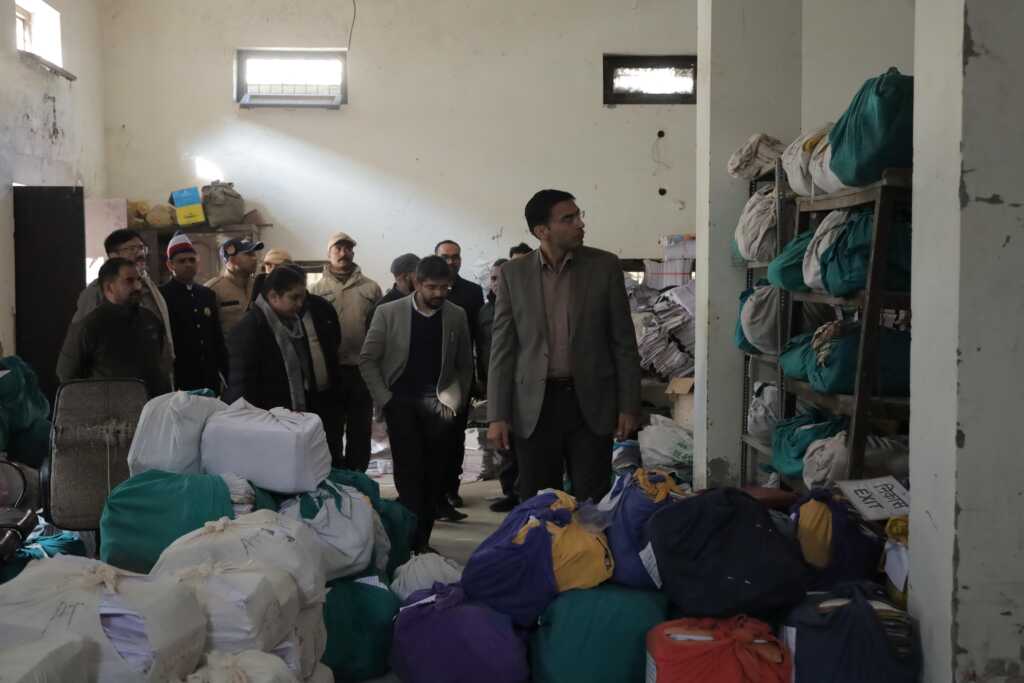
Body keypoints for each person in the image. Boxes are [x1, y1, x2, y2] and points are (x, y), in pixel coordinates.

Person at [487, 190, 642, 504]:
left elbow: (623, 342)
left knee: (593, 501)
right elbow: (502, 348)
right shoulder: (513, 274)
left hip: (591, 402)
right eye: (568, 219)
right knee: (540, 503)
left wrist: (629, 406)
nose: (580, 224)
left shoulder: (604, 266)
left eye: (578, 216)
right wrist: (497, 415)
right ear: (541, 231)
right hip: (534, 406)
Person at [359, 255, 474, 552]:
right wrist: (385, 399)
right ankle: (408, 543)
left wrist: (457, 400)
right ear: (417, 283)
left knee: (434, 476)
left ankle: (422, 541)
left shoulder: (456, 315)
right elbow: (368, 359)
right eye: (432, 287)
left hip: (440, 406)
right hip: (401, 405)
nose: (439, 293)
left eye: (445, 287)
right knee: (409, 477)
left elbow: (465, 364)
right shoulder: (389, 312)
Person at [224, 265, 344, 459]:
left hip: (292, 419)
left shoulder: (293, 324)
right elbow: (241, 388)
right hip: (264, 424)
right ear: (273, 296)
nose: (300, 304)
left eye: (302, 297)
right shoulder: (249, 329)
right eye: (294, 298)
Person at [309, 232, 382, 472]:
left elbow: (380, 329)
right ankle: (335, 476)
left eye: (348, 248)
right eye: (338, 248)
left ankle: (357, 476)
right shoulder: (316, 289)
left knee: (360, 429)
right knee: (331, 427)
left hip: (362, 370)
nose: (343, 253)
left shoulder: (371, 288)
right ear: (329, 253)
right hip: (330, 370)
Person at [69, 228, 175, 387]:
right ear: (113, 256)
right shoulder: (96, 291)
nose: (140, 253)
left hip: (152, 381)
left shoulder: (148, 285)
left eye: (141, 248)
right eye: (132, 248)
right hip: (114, 384)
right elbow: (79, 345)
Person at [57, 257, 170, 397]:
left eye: (138, 280)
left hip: (154, 405)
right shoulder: (90, 325)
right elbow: (66, 374)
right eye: (129, 281)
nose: (138, 286)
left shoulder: (150, 320)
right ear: (109, 287)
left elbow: (162, 364)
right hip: (110, 407)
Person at [434, 239, 483, 513]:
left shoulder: (472, 292)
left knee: (454, 438)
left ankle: (451, 490)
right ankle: (432, 491)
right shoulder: (425, 289)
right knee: (432, 438)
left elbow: (479, 338)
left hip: (458, 378)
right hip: (428, 379)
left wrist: (475, 378)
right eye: (445, 256)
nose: (451, 261)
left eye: (455, 257)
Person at [159, 231, 228, 393]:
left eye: (192, 260)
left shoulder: (207, 294)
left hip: (209, 376)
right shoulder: (162, 295)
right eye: (182, 261)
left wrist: (225, 372)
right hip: (180, 377)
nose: (188, 264)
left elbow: (216, 337)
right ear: (170, 265)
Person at [478, 258, 518, 512]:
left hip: (520, 384)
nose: (497, 283)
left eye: (502, 278)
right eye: (493, 278)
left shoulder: (522, 307)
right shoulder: (483, 312)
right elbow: (480, 348)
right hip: (493, 384)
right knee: (502, 442)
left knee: (521, 441)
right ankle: (510, 491)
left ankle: (523, 491)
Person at [205, 237, 264, 339]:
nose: (254, 258)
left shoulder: (260, 285)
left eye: (254, 254)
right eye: (248, 254)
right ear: (232, 260)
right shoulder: (212, 290)